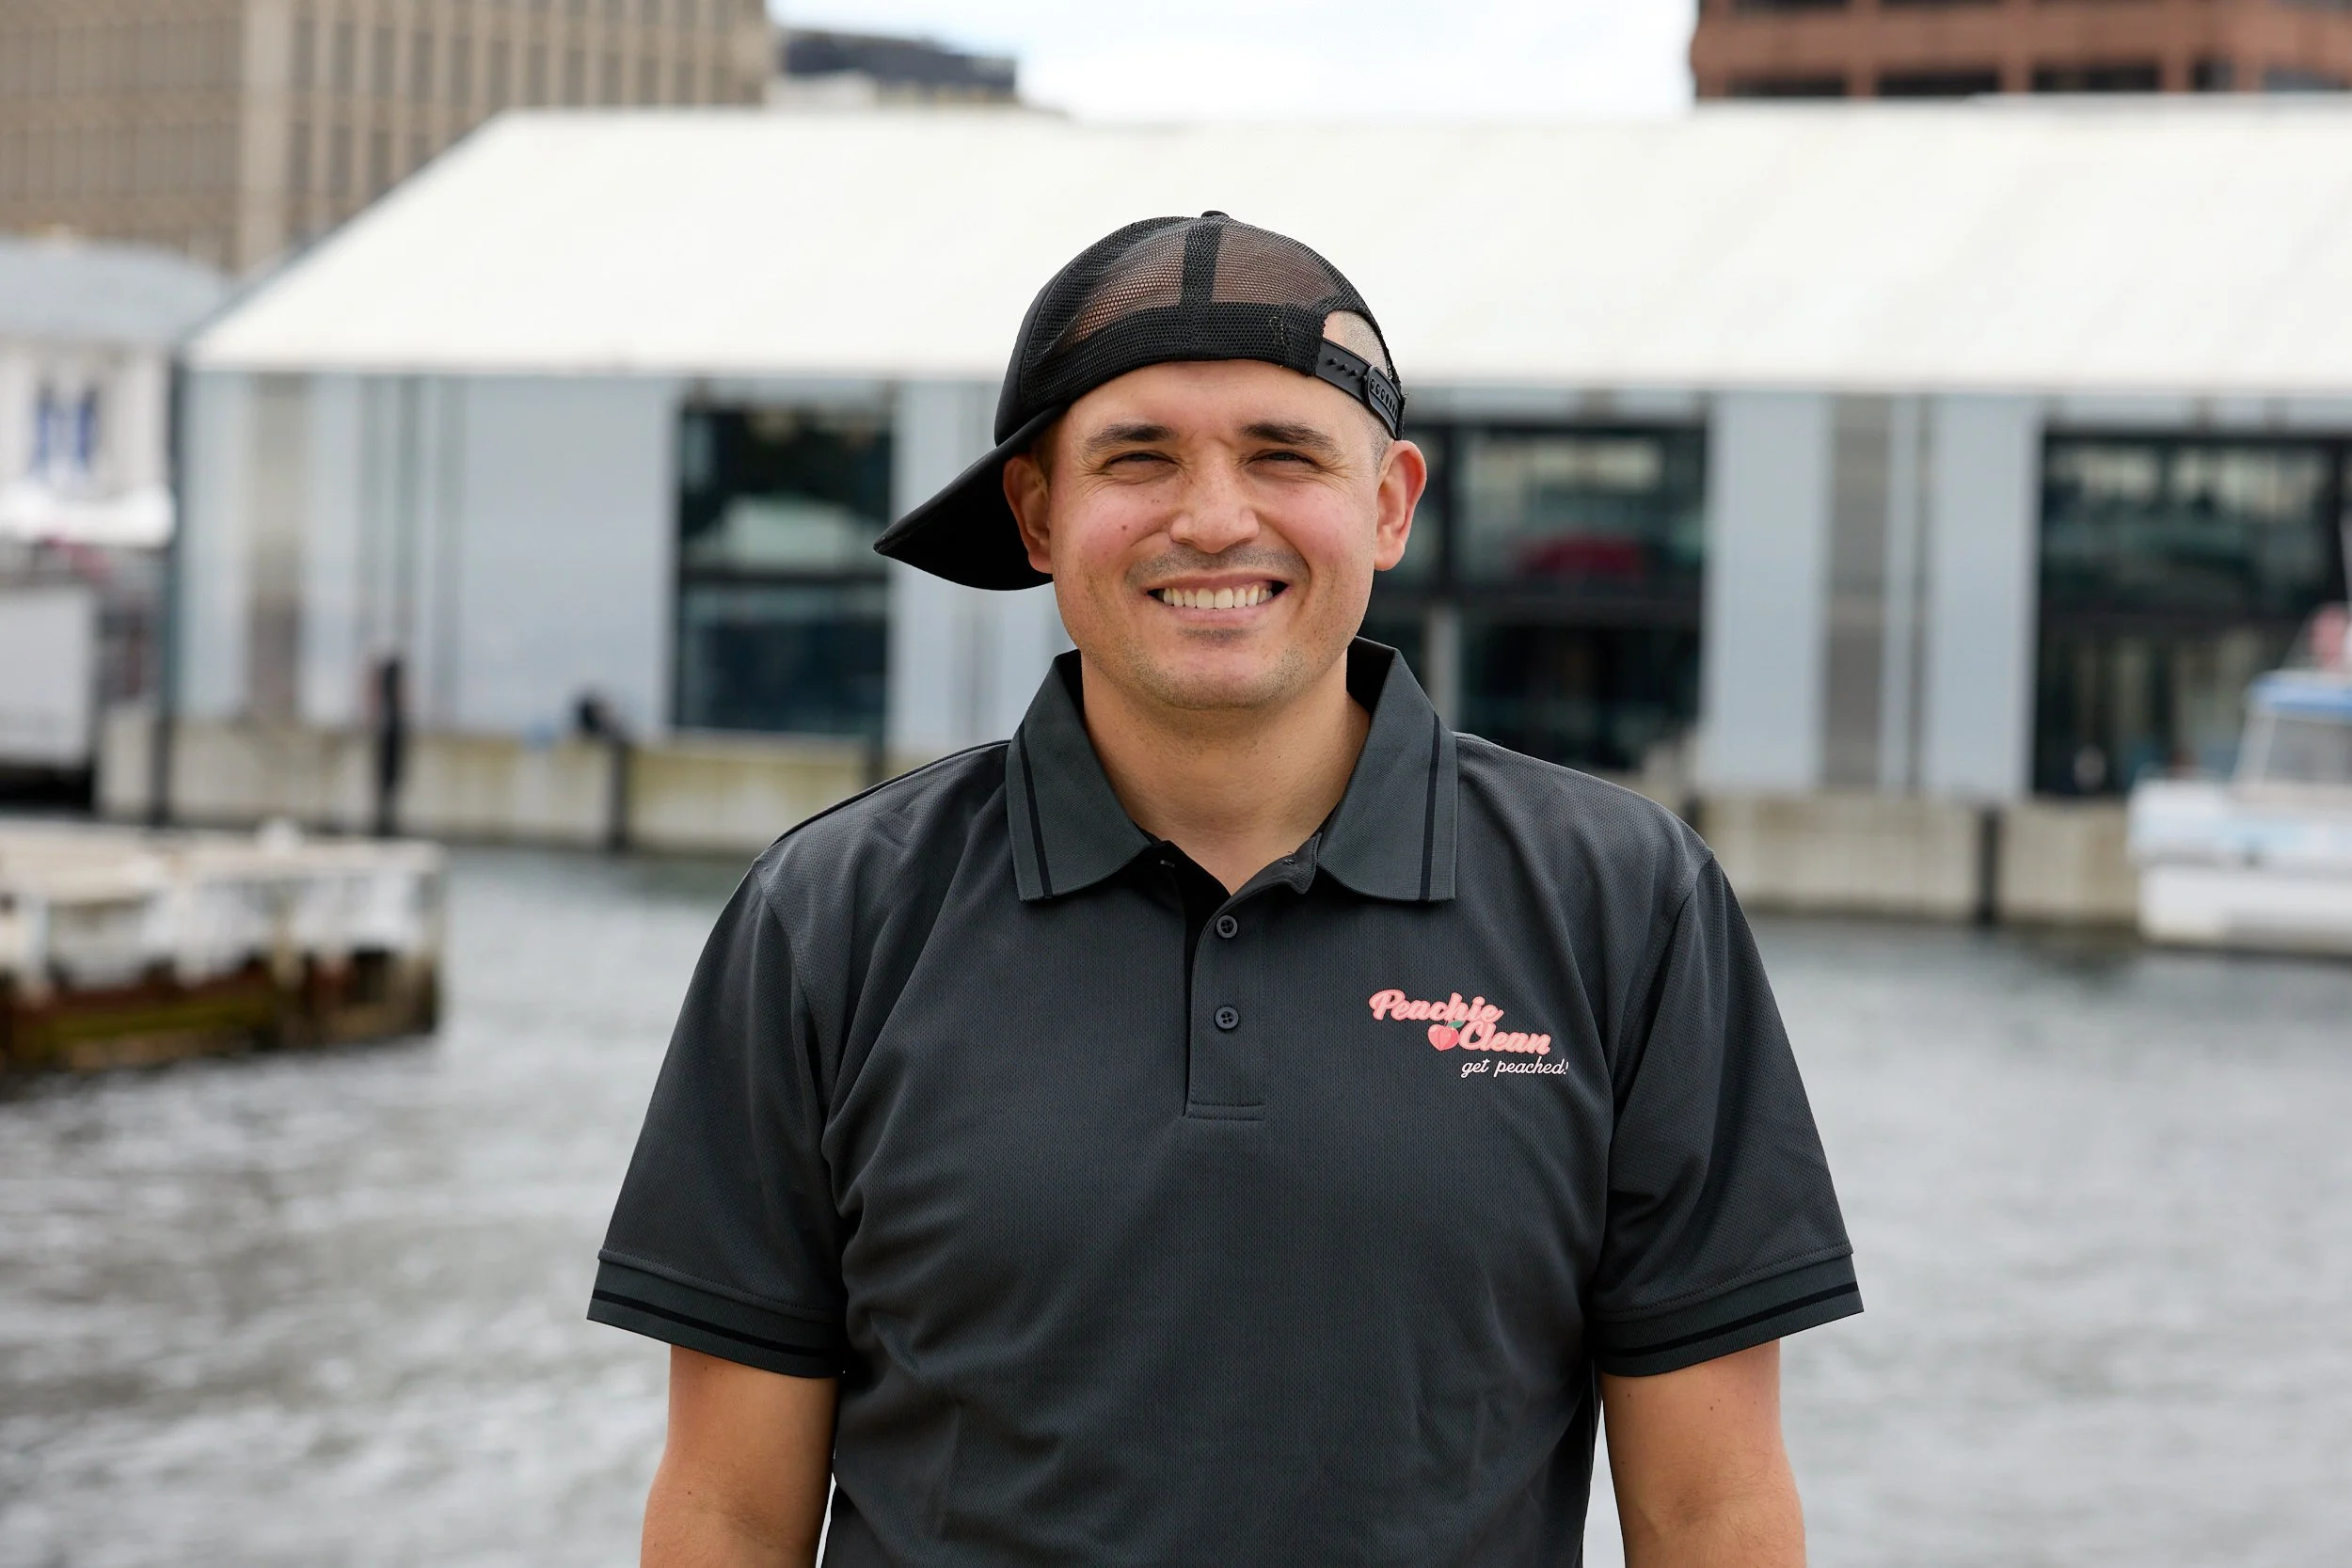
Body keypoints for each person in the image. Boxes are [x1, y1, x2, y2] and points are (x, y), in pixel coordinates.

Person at [590, 213, 1860, 1566]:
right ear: (1037, 513)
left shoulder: (1626, 907)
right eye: (1138, 457)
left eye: (1282, 454)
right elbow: (728, 1512)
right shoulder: (829, 918)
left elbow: (1712, 1511)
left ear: (1390, 504)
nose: (1211, 519)